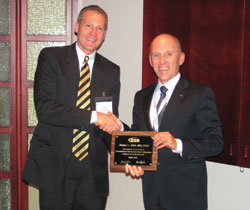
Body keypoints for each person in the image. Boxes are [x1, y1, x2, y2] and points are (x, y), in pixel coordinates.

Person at [22, 5, 122, 210]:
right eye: (88, 25)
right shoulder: (51, 58)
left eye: (100, 28)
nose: (94, 33)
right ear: (77, 27)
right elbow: (46, 109)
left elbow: (109, 120)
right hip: (56, 166)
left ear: (104, 35)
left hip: (92, 172)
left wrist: (127, 152)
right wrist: (95, 116)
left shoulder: (112, 70)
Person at [125, 33, 223, 210]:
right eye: (156, 55)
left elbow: (215, 143)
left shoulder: (199, 94)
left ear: (181, 58)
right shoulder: (141, 97)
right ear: (149, 60)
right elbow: (138, 138)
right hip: (152, 195)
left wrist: (176, 144)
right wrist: (133, 161)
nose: (162, 61)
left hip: (186, 197)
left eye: (168, 54)